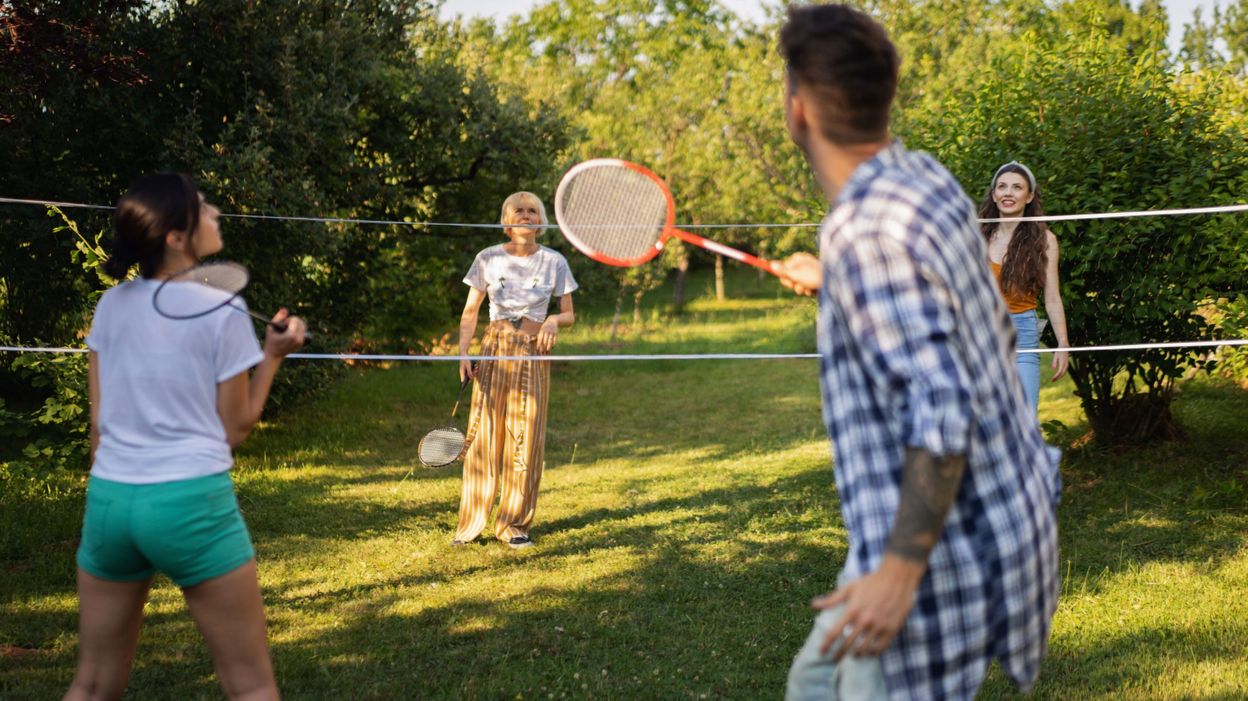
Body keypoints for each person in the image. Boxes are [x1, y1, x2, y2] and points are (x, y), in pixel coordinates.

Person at [770, 5, 1061, 700]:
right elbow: (965, 316)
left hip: (933, 559)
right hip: (994, 514)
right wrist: (838, 284)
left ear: (798, 107)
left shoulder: (867, 231)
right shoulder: (923, 178)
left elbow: (942, 403)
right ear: (885, 94)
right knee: (814, 682)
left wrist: (898, 574)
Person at [65, 173, 305, 701]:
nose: (215, 211)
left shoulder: (112, 305)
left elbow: (99, 429)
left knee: (91, 685)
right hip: (188, 502)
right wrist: (271, 358)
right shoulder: (221, 308)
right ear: (176, 236)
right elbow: (234, 429)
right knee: (251, 687)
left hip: (111, 501)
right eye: (203, 208)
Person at [452, 191, 577, 549]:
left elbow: (569, 314)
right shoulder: (487, 258)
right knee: (484, 435)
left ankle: (514, 525)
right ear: (506, 220)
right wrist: (463, 354)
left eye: (532, 211)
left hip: (533, 352)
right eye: (518, 211)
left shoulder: (555, 262)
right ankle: (470, 524)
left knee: (527, 435)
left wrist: (554, 320)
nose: (525, 215)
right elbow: (470, 312)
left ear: (541, 221)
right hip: (494, 348)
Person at [979, 161, 1070, 412]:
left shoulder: (1045, 240)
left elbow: (1052, 298)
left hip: (1022, 333)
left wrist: (1063, 343)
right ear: (994, 195)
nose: (1008, 193)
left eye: (1017, 187)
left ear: (1029, 196)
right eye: (1002, 187)